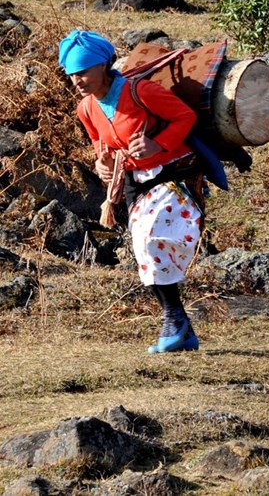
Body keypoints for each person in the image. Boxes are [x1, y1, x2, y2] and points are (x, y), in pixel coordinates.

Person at [60, 30, 204, 353]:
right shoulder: (87, 109)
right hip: (136, 184)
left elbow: (186, 117)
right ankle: (177, 325)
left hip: (175, 175)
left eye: (82, 72)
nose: (77, 81)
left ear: (102, 66)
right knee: (143, 249)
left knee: (149, 239)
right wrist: (103, 166)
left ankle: (175, 322)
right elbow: (102, 147)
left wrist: (157, 143)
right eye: (71, 75)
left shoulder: (142, 91)